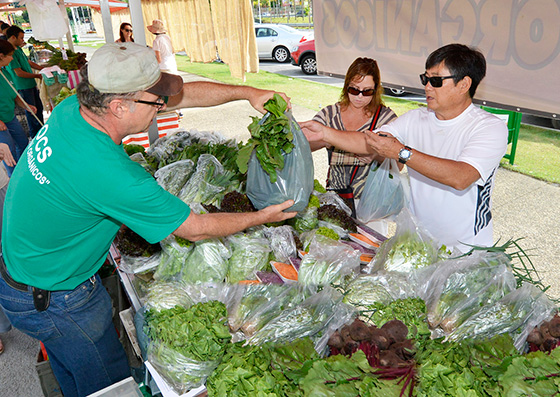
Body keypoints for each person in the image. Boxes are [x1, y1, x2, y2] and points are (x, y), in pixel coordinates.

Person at [0, 42, 295, 397]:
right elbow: (196, 229)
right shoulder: (109, 171)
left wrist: (249, 92)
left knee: (72, 374)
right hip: (57, 298)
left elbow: (183, 97)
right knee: (108, 385)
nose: (161, 109)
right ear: (118, 106)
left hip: (25, 274)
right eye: (154, 102)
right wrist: (261, 216)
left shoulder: (72, 110)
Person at [301, 43, 508, 253]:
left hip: (466, 250)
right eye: (425, 79)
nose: (427, 86)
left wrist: (401, 152)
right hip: (416, 244)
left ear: (464, 84)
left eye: (436, 80)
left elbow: (461, 177)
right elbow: (370, 141)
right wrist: (325, 133)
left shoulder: (489, 127)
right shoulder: (415, 119)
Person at [309, 57, 397, 226]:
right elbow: (305, 145)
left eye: (367, 91)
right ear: (346, 86)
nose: (360, 97)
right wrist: (325, 139)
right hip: (336, 198)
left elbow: (398, 164)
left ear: (376, 90)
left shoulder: (385, 119)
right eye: (354, 90)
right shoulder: (330, 114)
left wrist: (375, 155)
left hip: (372, 204)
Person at [0, 39, 35, 176]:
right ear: (1, 56)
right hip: (1, 122)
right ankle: (14, 177)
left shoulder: (5, 72)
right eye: (10, 55)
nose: (12, 58)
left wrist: (27, 106)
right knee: (8, 152)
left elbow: (14, 94)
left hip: (9, 116)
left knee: (22, 142)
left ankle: (24, 171)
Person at [5, 25, 44, 139]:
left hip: (30, 85)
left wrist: (43, 69)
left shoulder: (18, 49)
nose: (23, 40)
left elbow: (29, 62)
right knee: (31, 112)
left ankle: (42, 131)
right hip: (23, 87)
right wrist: (37, 75)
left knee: (38, 109)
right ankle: (35, 136)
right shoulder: (10, 52)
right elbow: (19, 73)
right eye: (21, 38)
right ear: (13, 37)